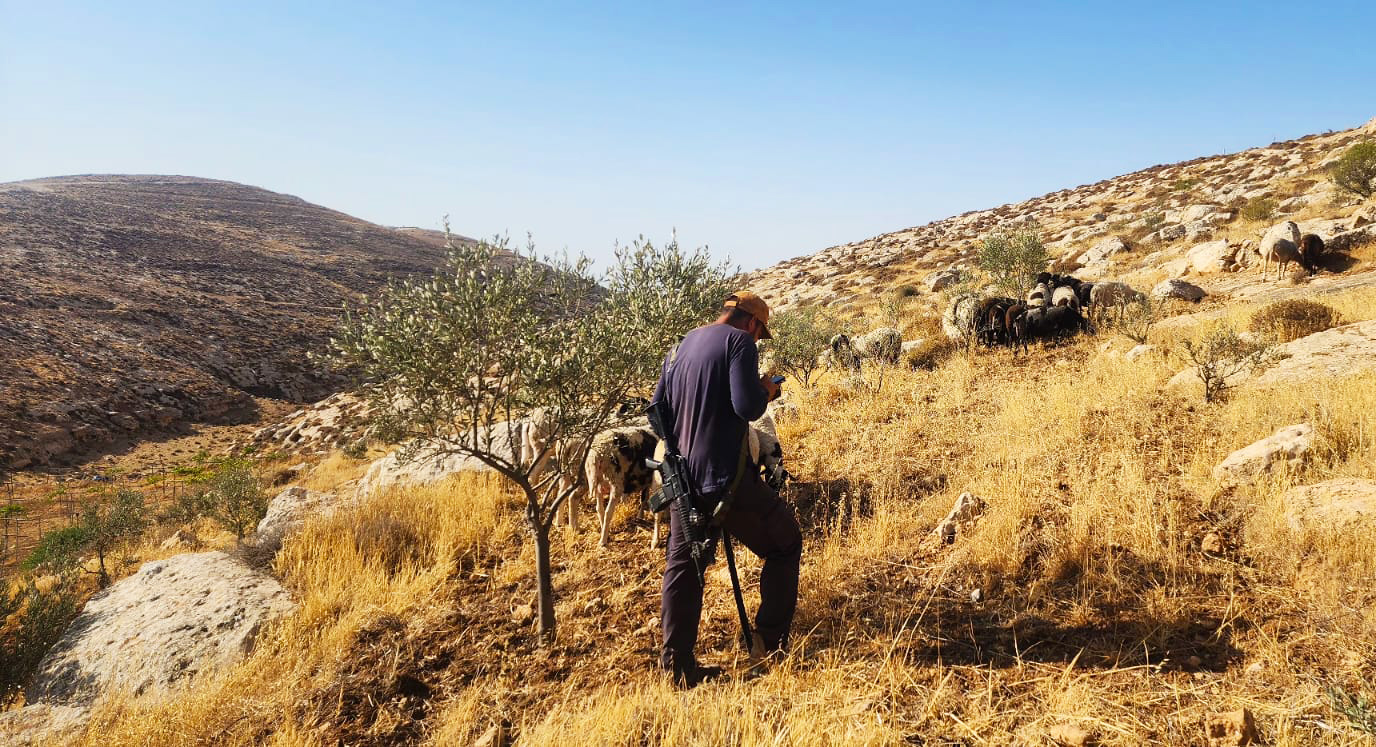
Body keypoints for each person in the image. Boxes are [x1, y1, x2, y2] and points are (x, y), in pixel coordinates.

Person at [650, 290, 803, 686]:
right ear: (752, 324)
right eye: (758, 333)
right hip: (725, 481)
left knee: (683, 568)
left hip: (683, 482)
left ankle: (677, 669)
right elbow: (747, 406)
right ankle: (767, 642)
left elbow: (657, 413)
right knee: (785, 542)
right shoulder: (739, 343)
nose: (756, 339)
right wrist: (767, 388)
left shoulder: (680, 346)